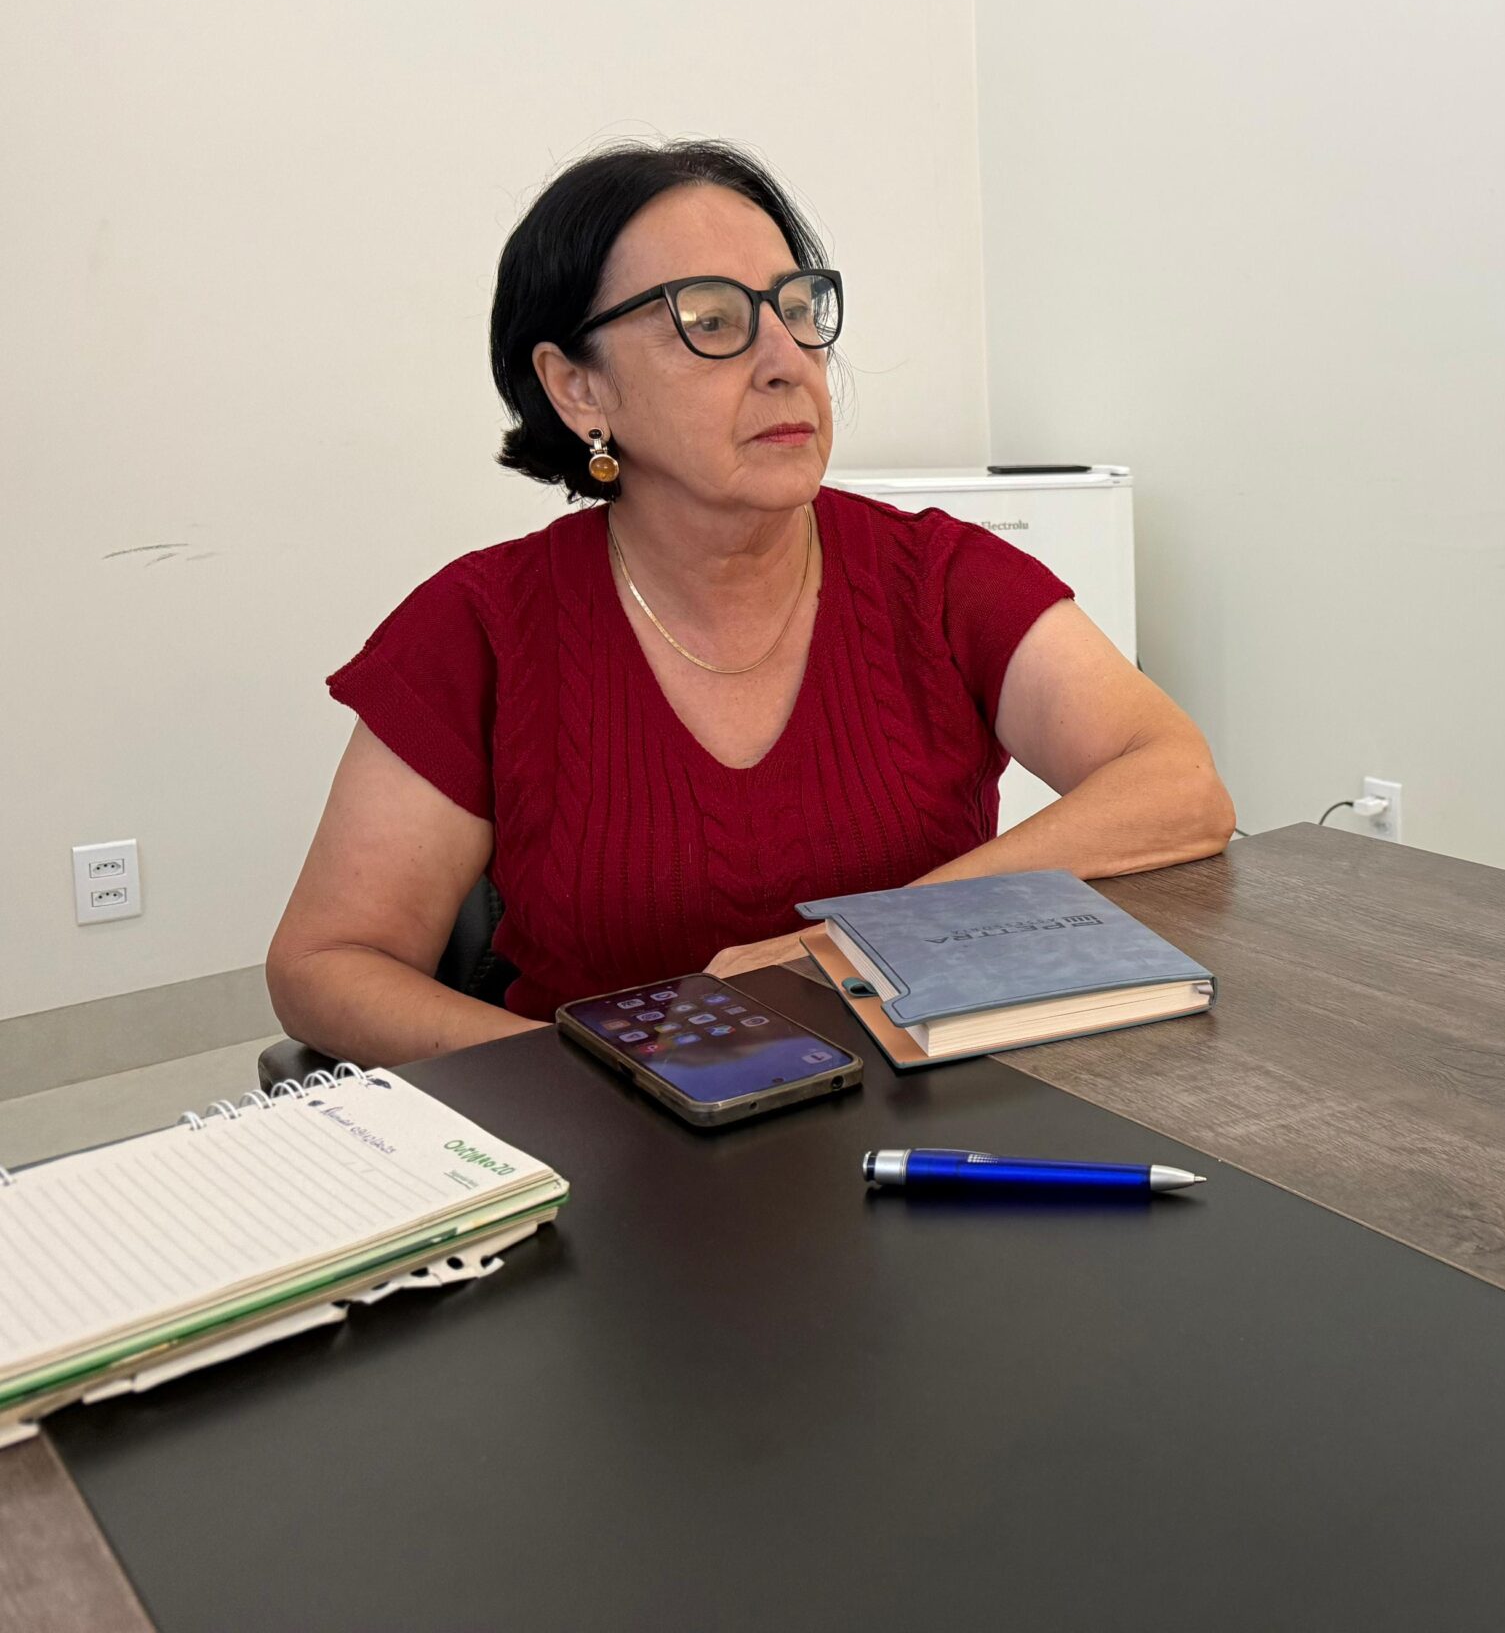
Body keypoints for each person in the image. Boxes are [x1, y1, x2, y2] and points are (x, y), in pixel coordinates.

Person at [269, 141, 1234, 1064]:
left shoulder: (937, 578)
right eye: (710, 319)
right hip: (613, 1150)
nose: (788, 360)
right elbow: (327, 963)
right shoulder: (480, 626)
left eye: (798, 309)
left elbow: (1177, 783)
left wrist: (848, 945)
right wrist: (597, 1073)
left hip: (929, 1118)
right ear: (577, 388)